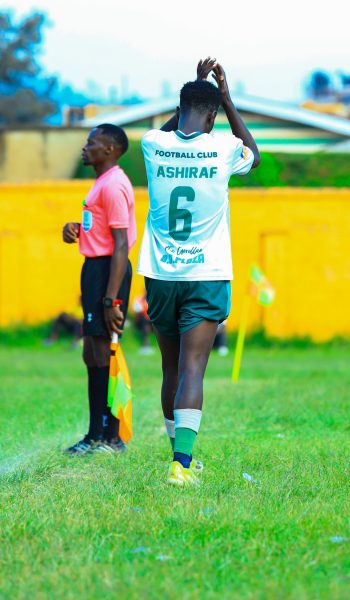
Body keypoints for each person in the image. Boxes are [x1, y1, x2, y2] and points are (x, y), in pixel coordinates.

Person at [137, 58, 260, 485]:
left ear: (180, 107)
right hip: (206, 274)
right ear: (212, 116)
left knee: (171, 368)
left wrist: (192, 98)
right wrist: (225, 98)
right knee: (193, 368)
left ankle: (178, 457)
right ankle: (181, 465)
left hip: (159, 274)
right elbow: (255, 156)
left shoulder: (153, 142)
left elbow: (176, 127)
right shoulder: (224, 146)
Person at [62, 123, 136, 455]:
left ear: (109, 150)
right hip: (95, 267)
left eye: (91, 142)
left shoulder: (114, 185)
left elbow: (121, 245)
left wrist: (111, 299)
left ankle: (112, 436)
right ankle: (94, 434)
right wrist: (76, 228)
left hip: (109, 270)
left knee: (104, 349)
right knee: (91, 351)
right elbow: (104, 230)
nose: (84, 147)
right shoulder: (101, 183)